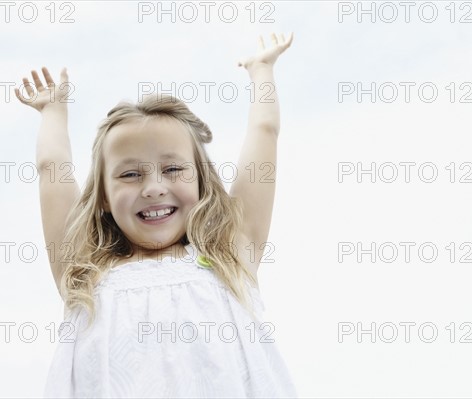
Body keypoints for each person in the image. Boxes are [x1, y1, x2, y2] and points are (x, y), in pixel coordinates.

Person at [15, 32, 297, 398]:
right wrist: (53, 112)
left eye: (173, 169)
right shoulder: (84, 274)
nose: (152, 187)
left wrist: (262, 72)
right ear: (102, 197)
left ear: (201, 181)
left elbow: (265, 132)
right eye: (130, 174)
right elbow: (51, 168)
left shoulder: (231, 253)